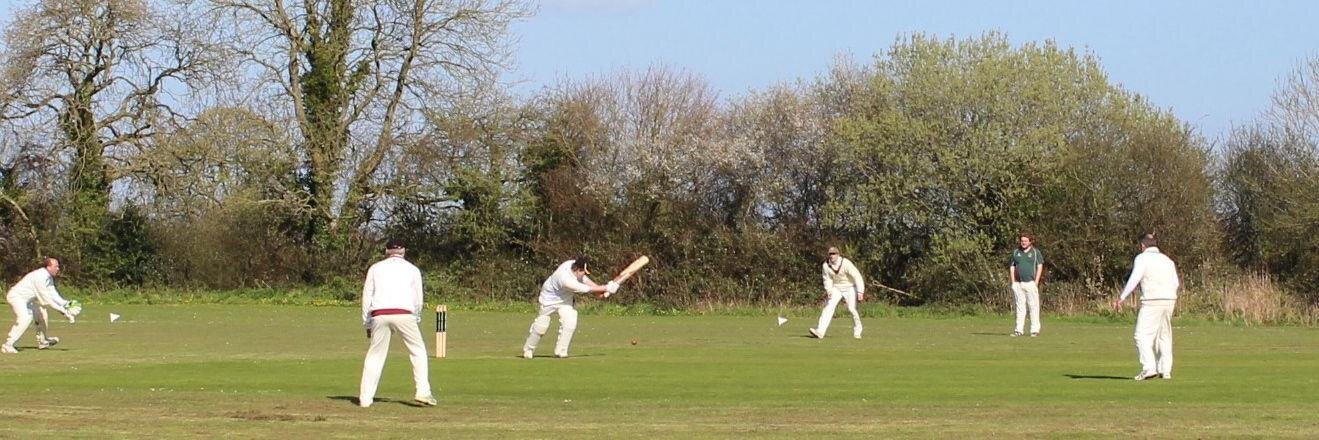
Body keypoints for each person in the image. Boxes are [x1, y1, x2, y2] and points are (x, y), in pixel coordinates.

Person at [359, 240, 436, 407]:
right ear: (403, 251)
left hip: (379, 314)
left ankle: (365, 399)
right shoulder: (413, 269)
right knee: (418, 350)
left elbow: (367, 296)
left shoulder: (375, 268)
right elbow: (418, 299)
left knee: (375, 355)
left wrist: (367, 323)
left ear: (387, 251)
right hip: (405, 314)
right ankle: (423, 391)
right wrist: (417, 318)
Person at [1113, 233, 1180, 381]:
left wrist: (1122, 297)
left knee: (1141, 335)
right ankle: (1165, 370)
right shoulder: (1167, 260)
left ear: (1142, 246)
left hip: (1152, 300)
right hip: (1170, 300)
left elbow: (1135, 278)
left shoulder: (1142, 258)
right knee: (1164, 335)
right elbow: (1176, 282)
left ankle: (1149, 368)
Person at [522, 257, 616, 359]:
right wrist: (606, 288)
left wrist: (600, 291)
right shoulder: (565, 279)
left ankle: (561, 351)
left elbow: (585, 280)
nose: (584, 274)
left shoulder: (572, 263)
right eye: (583, 272)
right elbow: (586, 289)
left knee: (570, 319)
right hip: (549, 298)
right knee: (542, 324)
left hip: (565, 300)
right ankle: (529, 349)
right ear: (578, 270)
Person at [3, 257, 76, 354]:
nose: (58, 269)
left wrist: (66, 303)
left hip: (27, 300)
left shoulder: (48, 277)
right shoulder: (40, 277)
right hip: (16, 297)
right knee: (26, 317)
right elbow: (48, 301)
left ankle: (43, 341)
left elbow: (53, 294)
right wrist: (64, 312)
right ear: (48, 267)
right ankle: (8, 345)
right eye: (56, 266)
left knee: (42, 313)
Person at [809, 247, 865, 339]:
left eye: (834, 254)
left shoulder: (845, 263)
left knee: (851, 309)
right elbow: (827, 279)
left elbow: (857, 276)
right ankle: (820, 331)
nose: (832, 256)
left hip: (850, 286)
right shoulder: (826, 265)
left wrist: (860, 291)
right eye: (830, 254)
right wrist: (829, 290)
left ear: (838, 255)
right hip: (836, 287)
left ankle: (857, 331)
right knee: (829, 307)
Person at [1008, 234, 1044, 337]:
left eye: (1025, 241)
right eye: (1022, 241)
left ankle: (1034, 330)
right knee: (1020, 307)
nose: (1023, 243)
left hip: (1030, 283)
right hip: (1018, 283)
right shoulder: (1016, 252)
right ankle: (1018, 330)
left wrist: (1036, 281)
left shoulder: (1035, 252)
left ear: (1030, 241)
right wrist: (1013, 282)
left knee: (1033, 306)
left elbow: (1040, 266)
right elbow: (1012, 266)